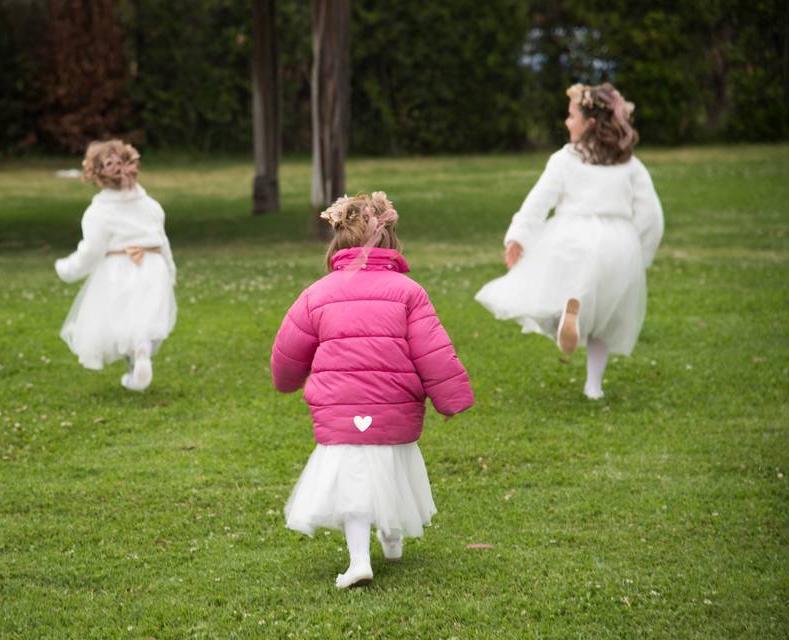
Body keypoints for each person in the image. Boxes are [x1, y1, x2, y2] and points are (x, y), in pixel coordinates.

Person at [271, 192, 475, 588]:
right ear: (391, 240)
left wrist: (287, 381)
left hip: (340, 411)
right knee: (392, 470)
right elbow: (432, 350)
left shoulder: (317, 293)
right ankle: (393, 541)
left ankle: (359, 559)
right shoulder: (408, 292)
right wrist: (450, 400)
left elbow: (288, 350)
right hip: (393, 409)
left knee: (354, 485)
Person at [475, 82, 664, 399]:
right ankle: (594, 386)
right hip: (618, 245)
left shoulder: (565, 159)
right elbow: (651, 215)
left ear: (589, 123)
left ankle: (564, 321)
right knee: (607, 317)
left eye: (570, 115)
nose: (566, 122)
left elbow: (538, 202)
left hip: (571, 238)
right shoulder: (629, 164)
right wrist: (640, 254)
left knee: (544, 296)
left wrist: (518, 237)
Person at [55, 140, 177, 391]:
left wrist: (67, 269)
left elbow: (91, 251)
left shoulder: (99, 211)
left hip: (118, 269)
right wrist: (170, 270)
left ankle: (135, 363)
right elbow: (162, 241)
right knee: (145, 319)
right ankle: (141, 353)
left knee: (121, 320)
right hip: (154, 267)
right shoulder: (150, 204)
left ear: (96, 175)